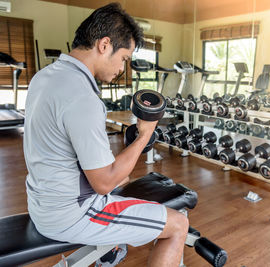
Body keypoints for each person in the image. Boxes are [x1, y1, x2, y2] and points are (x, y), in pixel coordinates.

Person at [23, 3, 188, 267]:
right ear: (104, 44)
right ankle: (110, 244)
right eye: (123, 58)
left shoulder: (44, 77)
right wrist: (145, 135)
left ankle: (109, 252)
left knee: (124, 176)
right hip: (72, 214)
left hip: (42, 203)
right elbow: (103, 183)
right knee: (178, 224)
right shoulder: (82, 97)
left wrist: (124, 159)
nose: (123, 67)